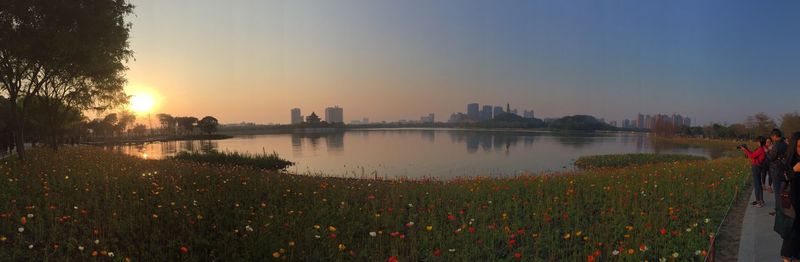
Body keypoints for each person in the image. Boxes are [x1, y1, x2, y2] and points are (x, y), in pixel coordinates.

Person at [780, 132, 800, 261]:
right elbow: (782, 177)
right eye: (799, 146)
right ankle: (787, 257)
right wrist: (794, 170)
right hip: (792, 200)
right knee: (792, 231)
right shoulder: (788, 160)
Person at [741, 136, 768, 207]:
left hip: (756, 167)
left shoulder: (760, 149)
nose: (757, 142)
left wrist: (745, 150)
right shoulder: (762, 149)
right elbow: (753, 155)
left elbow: (752, 156)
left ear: (759, 142)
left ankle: (759, 202)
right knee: (758, 184)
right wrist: (746, 150)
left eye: (757, 141)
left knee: (757, 185)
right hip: (758, 167)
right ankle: (760, 200)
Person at [769, 129, 789, 211]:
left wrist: (768, 151)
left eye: (772, 136)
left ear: (775, 136)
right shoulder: (785, 144)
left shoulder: (776, 145)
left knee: (777, 191)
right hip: (784, 168)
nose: (771, 138)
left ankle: (778, 209)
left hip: (776, 168)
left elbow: (772, 158)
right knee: (782, 189)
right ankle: (783, 208)